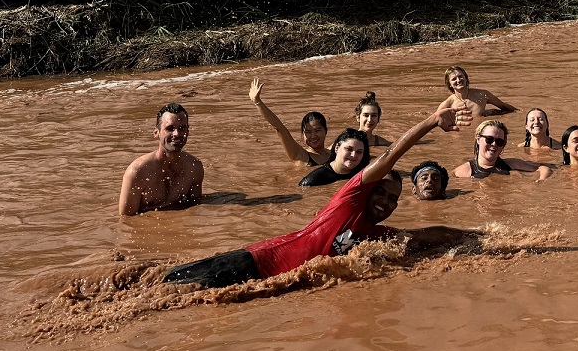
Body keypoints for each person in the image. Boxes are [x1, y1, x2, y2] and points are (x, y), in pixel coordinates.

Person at [165, 105, 472, 287]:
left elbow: (425, 235)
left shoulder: (375, 234)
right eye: (381, 192)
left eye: (393, 199)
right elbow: (391, 155)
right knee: (165, 288)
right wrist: (431, 121)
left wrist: (480, 238)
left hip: (265, 282)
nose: (386, 202)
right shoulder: (348, 198)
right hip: (248, 264)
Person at [119, 103, 204, 216]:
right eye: (170, 128)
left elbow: (196, 209)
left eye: (182, 128)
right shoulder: (138, 172)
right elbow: (126, 220)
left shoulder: (194, 167)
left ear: (188, 131)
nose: (177, 134)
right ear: (156, 133)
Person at [248, 78, 330, 165]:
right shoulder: (300, 155)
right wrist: (258, 102)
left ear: (326, 131)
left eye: (317, 131)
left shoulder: (336, 152)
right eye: (308, 132)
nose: (313, 136)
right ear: (303, 135)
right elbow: (279, 127)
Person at [454, 121, 552, 180]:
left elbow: (545, 169)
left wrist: (540, 181)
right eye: (489, 139)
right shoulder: (463, 172)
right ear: (478, 138)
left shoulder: (512, 164)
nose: (494, 144)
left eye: (499, 142)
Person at [439, 65, 516, 121]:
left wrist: (520, 113)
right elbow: (435, 120)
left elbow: (503, 106)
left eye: (460, 76)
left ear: (466, 78)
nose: (458, 80)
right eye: (454, 79)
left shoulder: (482, 95)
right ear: (449, 84)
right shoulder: (448, 104)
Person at [298, 128, 371, 187]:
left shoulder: (365, 173)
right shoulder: (314, 180)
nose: (354, 155)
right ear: (337, 148)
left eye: (359, 152)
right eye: (349, 149)